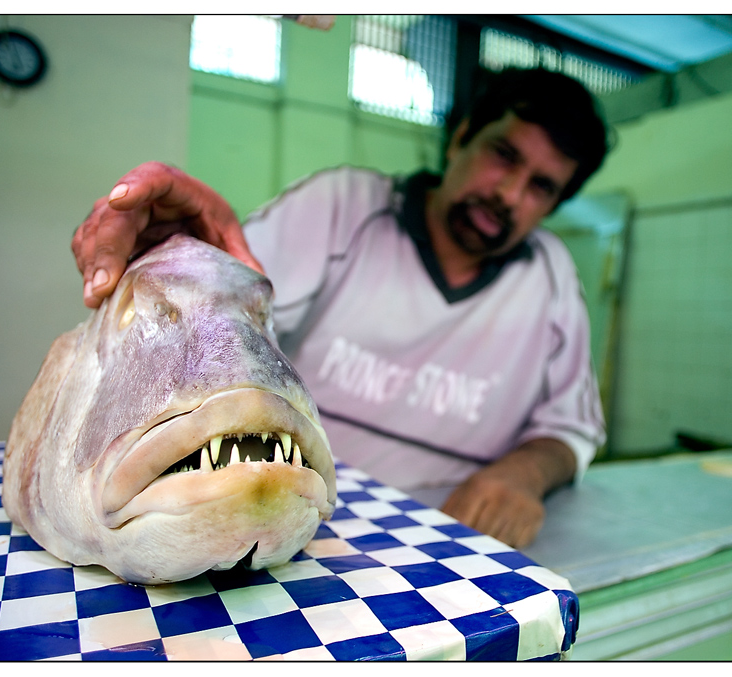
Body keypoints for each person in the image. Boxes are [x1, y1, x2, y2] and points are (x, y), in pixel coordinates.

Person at [71, 68, 611, 548]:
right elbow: (220, 310)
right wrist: (188, 247)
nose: (511, 194)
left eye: (541, 187)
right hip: (289, 528)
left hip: (450, 547)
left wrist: (523, 475)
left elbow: (572, 428)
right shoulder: (343, 208)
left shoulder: (552, 278)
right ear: (461, 137)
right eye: (504, 155)